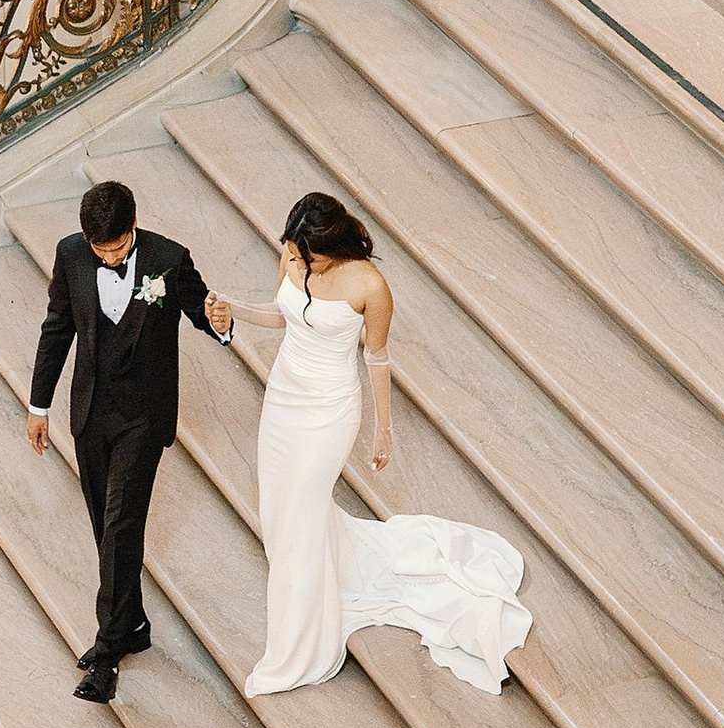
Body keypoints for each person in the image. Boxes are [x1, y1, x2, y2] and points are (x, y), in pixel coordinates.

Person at [211, 191, 530, 699]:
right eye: (292, 254)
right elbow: (283, 314)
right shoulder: (292, 255)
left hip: (331, 411)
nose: (296, 262)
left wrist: (384, 428)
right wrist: (237, 309)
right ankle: (319, 581)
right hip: (284, 400)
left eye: (303, 256)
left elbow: (376, 358)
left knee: (303, 510)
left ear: (330, 247)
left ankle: (300, 646)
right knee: (277, 510)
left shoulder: (370, 285)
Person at [26, 176, 233, 704]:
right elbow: (57, 328)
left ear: (134, 228)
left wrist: (221, 323)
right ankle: (134, 623)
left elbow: (200, 310)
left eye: (117, 247)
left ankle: (109, 651)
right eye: (101, 249)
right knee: (105, 526)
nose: (109, 256)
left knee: (120, 523)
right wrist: (39, 404)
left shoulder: (169, 257)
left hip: (144, 415)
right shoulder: (71, 256)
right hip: (92, 411)